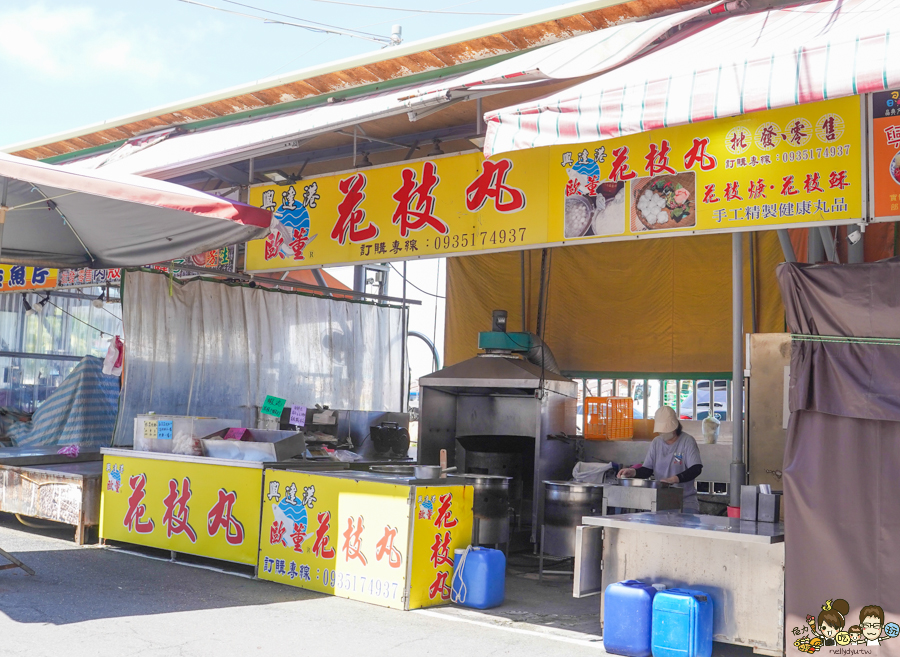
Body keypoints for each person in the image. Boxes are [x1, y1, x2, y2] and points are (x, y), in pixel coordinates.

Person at [616, 405, 703, 513]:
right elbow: (647, 470)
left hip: (685, 502)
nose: (664, 434)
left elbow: (696, 468)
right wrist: (633, 472)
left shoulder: (687, 441)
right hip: (661, 502)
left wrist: (673, 479)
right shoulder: (656, 443)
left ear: (675, 426)